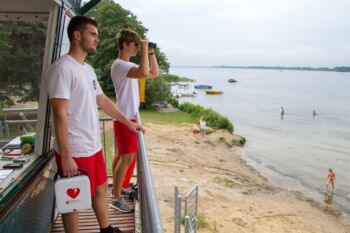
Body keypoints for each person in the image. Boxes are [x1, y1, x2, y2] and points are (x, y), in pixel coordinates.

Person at [46, 16, 144, 233]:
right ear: (77, 35)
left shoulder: (87, 69)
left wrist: (128, 123)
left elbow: (102, 101)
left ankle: (106, 229)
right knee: (73, 202)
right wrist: (67, 155)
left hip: (93, 146)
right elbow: (59, 113)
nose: (97, 39)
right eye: (93, 34)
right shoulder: (62, 68)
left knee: (100, 189)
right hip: (75, 149)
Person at [110, 29, 159, 212]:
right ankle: (115, 198)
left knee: (122, 156)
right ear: (125, 45)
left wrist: (151, 53)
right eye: (136, 45)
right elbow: (144, 72)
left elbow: (153, 73)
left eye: (140, 45)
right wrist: (146, 49)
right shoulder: (120, 65)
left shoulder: (126, 65)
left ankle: (118, 188)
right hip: (125, 118)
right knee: (127, 157)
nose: (138, 48)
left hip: (126, 117)